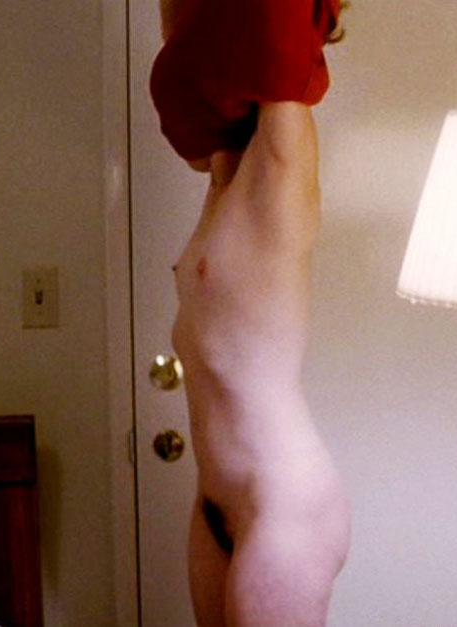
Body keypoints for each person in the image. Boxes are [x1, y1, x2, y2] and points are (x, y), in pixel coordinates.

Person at [150, 0, 352, 625]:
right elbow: (188, 89)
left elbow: (276, 42)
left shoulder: (285, 167)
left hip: (284, 508)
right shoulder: (223, 180)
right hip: (215, 500)